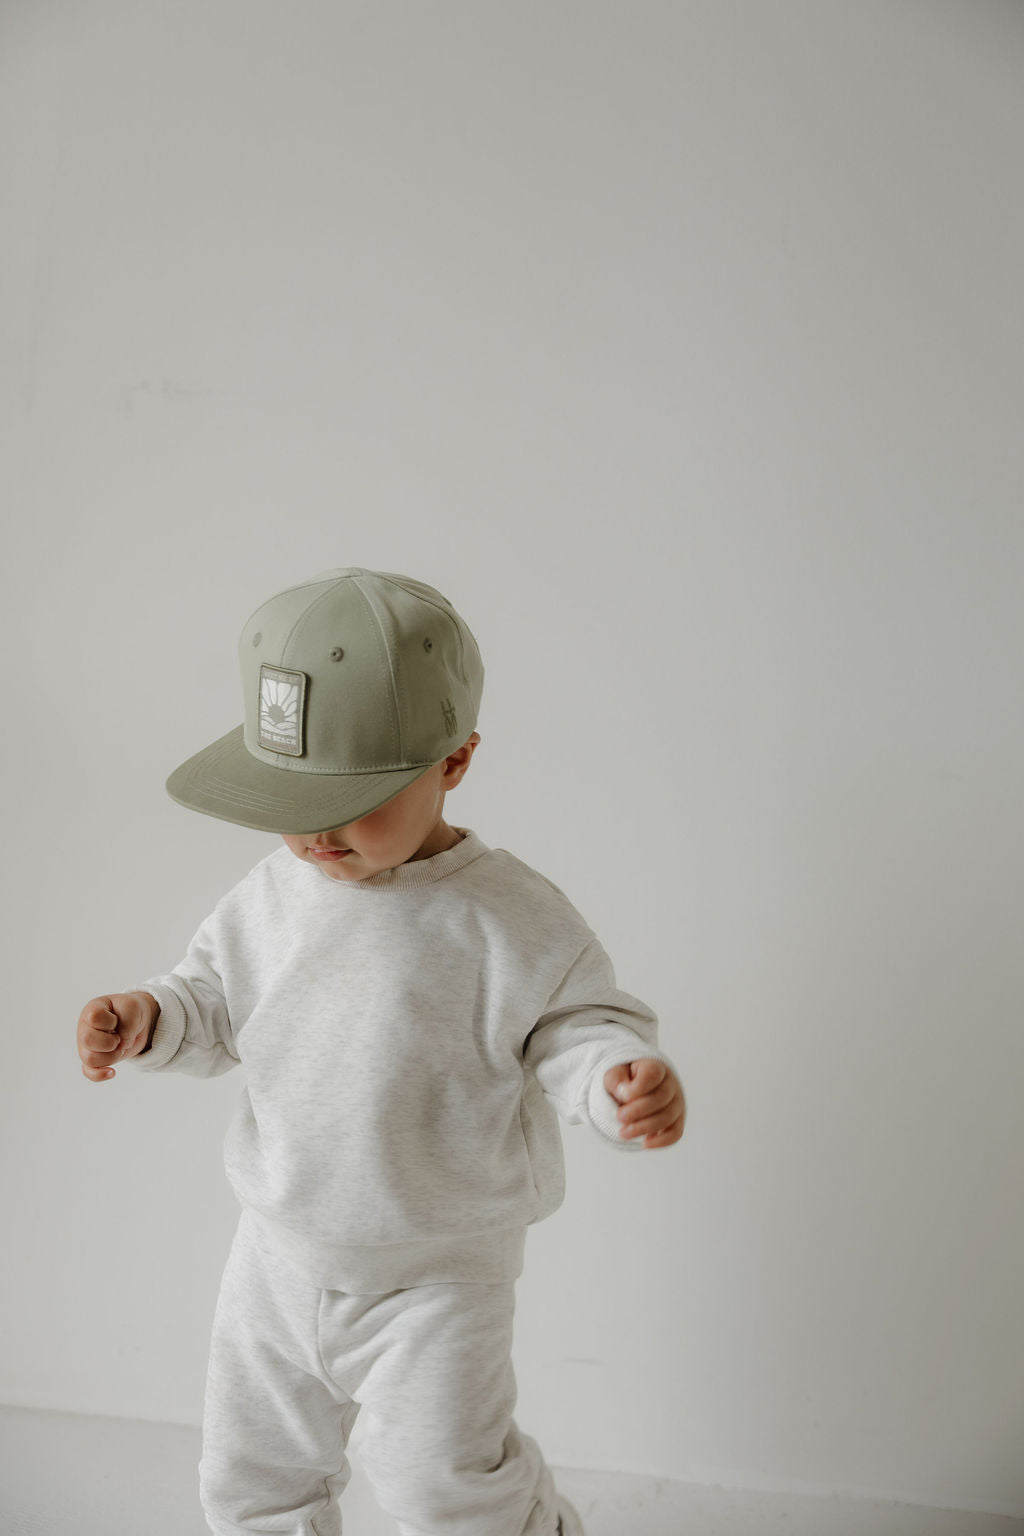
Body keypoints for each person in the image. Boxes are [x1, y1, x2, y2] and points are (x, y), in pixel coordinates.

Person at [76, 567, 686, 1536]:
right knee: (249, 1479)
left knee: (446, 1488)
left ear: (456, 759)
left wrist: (615, 1083)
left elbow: (574, 1028)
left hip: (436, 1285)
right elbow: (214, 999)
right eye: (290, 792)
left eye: (352, 796)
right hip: (272, 1264)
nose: (315, 831)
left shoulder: (510, 921)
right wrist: (149, 1018)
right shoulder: (270, 899)